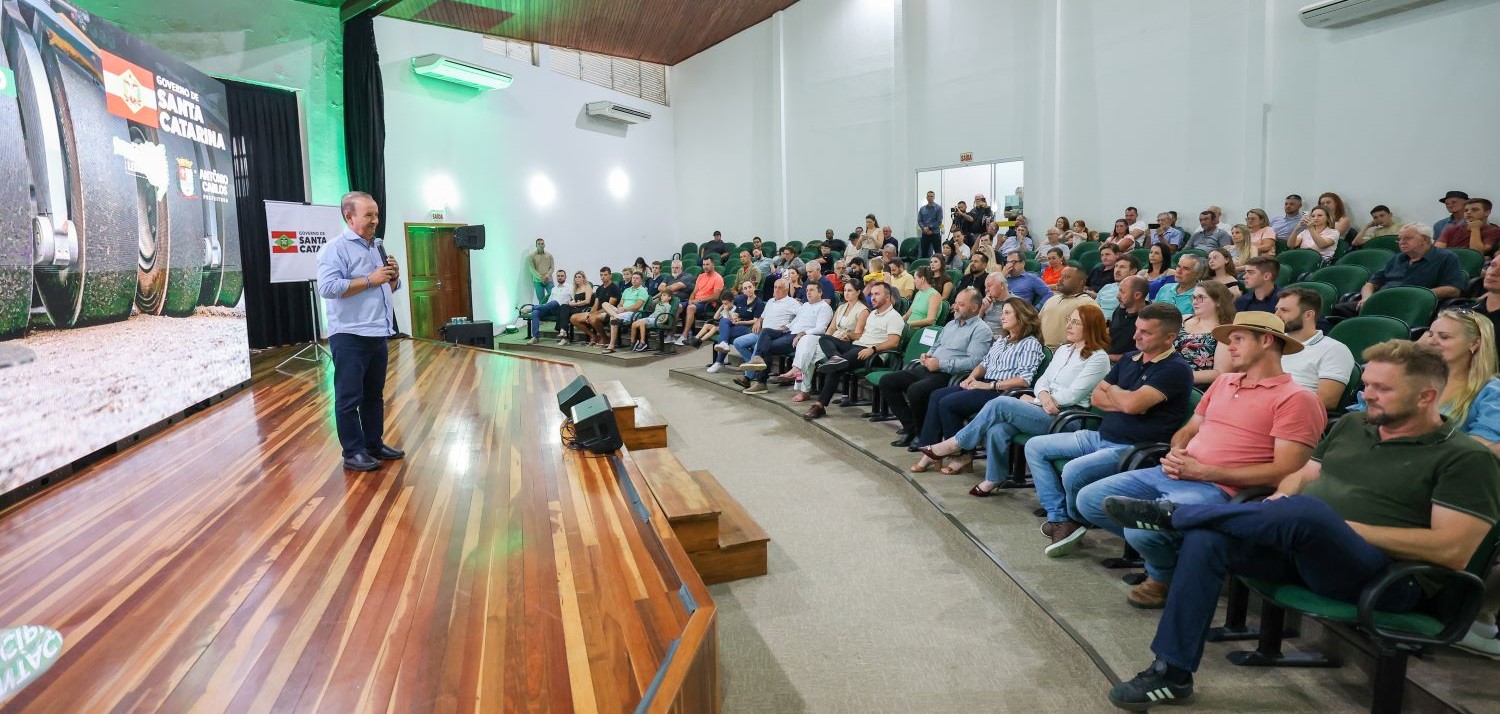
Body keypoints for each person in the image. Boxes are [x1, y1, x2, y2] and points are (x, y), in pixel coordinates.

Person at [1099, 340, 1499, 710]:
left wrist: (1336, 526)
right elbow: (1303, 474)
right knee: (1208, 539)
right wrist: (1278, 505)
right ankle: (1171, 673)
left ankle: (1174, 516)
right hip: (1306, 550)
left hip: (1386, 579)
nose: (1367, 395)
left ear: (1426, 396)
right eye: (1367, 385)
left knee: (1308, 512)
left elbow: (1452, 550)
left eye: (1383, 389)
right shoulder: (1353, 426)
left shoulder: (1464, 458)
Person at [1076, 312, 1326, 608]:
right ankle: (1175, 556)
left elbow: (1285, 472)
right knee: (1089, 500)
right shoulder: (1224, 382)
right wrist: (1177, 450)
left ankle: (1162, 575)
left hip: (1223, 489)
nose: (1229, 347)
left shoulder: (1297, 399)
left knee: (1140, 530)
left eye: (1238, 339)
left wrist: (1204, 472)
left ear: (1267, 341)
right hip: (1177, 471)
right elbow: (1189, 429)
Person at [1022, 303, 1195, 549]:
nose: (1135, 336)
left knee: (1072, 471)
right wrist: (1123, 398)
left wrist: (1115, 392)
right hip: (1100, 435)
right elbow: (1097, 398)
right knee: (1035, 447)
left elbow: (1131, 405)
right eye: (1137, 329)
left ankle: (1073, 520)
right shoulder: (1129, 358)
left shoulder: (1175, 369)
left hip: (1132, 448)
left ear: (1169, 338)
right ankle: (1060, 518)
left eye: (1146, 332)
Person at [921, 305, 1111, 496]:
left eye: (1076, 322)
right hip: (1045, 407)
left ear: (1091, 327)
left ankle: (956, 444)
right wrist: (1042, 396)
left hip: (1067, 417)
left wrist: (1036, 400)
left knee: (1001, 403)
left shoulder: (1098, 358)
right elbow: (1043, 381)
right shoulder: (1064, 350)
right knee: (998, 429)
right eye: (1069, 320)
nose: (1068, 325)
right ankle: (994, 477)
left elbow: (1072, 395)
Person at [316, 191, 404, 472]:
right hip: (350, 335)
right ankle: (353, 452)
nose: (375, 220)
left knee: (373, 396)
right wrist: (370, 279)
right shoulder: (335, 249)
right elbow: (327, 288)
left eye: (376, 214)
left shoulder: (376, 246)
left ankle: (373, 444)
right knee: (349, 398)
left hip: (377, 332)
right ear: (349, 217)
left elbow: (386, 287)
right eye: (369, 215)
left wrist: (393, 277)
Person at [909, 297, 1045, 471]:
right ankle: (931, 450)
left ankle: (961, 455)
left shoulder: (1030, 343)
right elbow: (984, 364)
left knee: (949, 403)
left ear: (1021, 317)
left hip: (1004, 392)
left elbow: (1024, 380)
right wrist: (971, 378)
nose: (1002, 317)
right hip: (985, 384)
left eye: (1007, 313)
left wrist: (990, 386)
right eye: (1002, 312)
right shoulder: (1002, 340)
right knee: (937, 395)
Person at [882, 289, 993, 447]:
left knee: (916, 390)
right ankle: (910, 427)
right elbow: (937, 345)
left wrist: (940, 364)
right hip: (930, 367)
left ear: (974, 308)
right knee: (888, 381)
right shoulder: (950, 324)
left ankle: (922, 435)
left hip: (949, 374)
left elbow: (974, 362)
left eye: (961, 304)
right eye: (956, 303)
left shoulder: (981, 330)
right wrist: (927, 355)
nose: (955, 307)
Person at [804, 282, 906, 420]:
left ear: (887, 297)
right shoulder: (873, 313)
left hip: (874, 354)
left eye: (877, 294)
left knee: (836, 367)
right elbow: (863, 335)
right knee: (825, 339)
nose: (872, 297)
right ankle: (836, 358)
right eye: (872, 294)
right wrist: (849, 335)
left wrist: (872, 349)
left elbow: (894, 342)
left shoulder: (894, 317)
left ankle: (819, 405)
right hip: (857, 346)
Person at [1332, 223, 1465, 317]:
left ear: (1424, 239)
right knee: (1335, 312)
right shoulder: (1397, 258)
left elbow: (1453, 290)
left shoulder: (1445, 257)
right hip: (1381, 301)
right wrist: (1367, 298)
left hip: (1413, 305)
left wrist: (1418, 295)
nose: (1401, 242)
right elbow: (1371, 284)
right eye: (1399, 239)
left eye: (1407, 238)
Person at [1417, 309, 1500, 449]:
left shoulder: (1493, 391)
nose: (1431, 342)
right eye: (1430, 335)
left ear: (1474, 343)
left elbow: (1481, 447)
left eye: (1444, 337)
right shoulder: (1413, 381)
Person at [1274, 287, 1356, 410]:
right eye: (1276, 310)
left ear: (1308, 315)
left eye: (1284, 310)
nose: (1276, 315)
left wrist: (1273, 405)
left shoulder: (1334, 350)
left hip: (1292, 412)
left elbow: (1327, 400)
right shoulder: (1272, 343)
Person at [742, 283, 832, 394]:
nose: (808, 293)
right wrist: (787, 326)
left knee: (767, 347)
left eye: (812, 290)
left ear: (820, 293)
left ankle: (761, 382)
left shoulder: (824, 307)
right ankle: (758, 357)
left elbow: (821, 328)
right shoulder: (805, 305)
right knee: (766, 331)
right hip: (789, 332)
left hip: (800, 338)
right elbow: (797, 321)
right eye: (807, 290)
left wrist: (803, 333)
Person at [789, 280, 868, 400]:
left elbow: (858, 334)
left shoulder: (863, 310)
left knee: (808, 354)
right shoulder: (841, 307)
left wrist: (845, 335)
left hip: (846, 343)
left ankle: (802, 386)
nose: (846, 293)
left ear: (858, 292)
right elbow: (831, 328)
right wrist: (825, 339)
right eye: (845, 290)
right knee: (805, 341)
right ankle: (798, 374)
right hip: (832, 340)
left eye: (850, 290)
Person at [731, 279, 800, 388]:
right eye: (775, 287)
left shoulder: (792, 302)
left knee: (760, 346)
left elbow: (801, 317)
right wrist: (758, 322)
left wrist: (789, 326)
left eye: (780, 288)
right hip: (762, 332)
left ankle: (747, 378)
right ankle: (754, 364)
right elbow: (762, 317)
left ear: (786, 290)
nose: (776, 290)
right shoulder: (770, 301)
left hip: (776, 334)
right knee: (738, 342)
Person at [1176, 281, 1235, 387]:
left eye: (1200, 297)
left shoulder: (1225, 332)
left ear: (1218, 301)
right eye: (1194, 297)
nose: (1194, 302)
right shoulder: (1183, 319)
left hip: (1191, 386)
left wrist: (1177, 377)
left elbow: (1220, 372)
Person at [709, 281, 765, 372]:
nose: (748, 290)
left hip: (748, 327)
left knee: (723, 335)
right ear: (743, 291)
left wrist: (740, 322)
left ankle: (719, 361)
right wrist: (735, 317)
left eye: (750, 287)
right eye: (745, 288)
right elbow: (737, 313)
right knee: (724, 320)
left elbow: (756, 320)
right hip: (738, 324)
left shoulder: (759, 303)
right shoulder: (741, 299)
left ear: (754, 287)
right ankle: (723, 345)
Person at [1039, 266, 1096, 349]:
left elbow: (1091, 334)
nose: (1060, 280)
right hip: (1040, 350)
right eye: (1060, 276)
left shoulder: (1088, 303)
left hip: (1067, 352)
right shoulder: (1052, 299)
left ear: (1080, 282)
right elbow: (1037, 323)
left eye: (1066, 277)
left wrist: (1062, 350)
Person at [677, 257, 725, 346]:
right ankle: (670, 334)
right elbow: (694, 291)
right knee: (677, 306)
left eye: (707, 264)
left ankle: (684, 335)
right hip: (696, 301)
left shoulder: (718, 278)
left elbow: (715, 297)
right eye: (704, 264)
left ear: (713, 265)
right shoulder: (701, 276)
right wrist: (691, 299)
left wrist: (699, 300)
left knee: (691, 307)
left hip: (708, 304)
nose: (705, 266)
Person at [604, 272, 650, 352]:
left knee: (613, 319)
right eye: (633, 278)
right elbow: (620, 303)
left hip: (633, 313)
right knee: (605, 304)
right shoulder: (627, 290)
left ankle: (611, 345)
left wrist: (624, 309)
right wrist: (619, 308)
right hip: (622, 312)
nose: (634, 280)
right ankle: (616, 316)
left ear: (641, 281)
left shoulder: (643, 291)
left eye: (637, 278)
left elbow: (637, 306)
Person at [1108, 276, 1149, 362]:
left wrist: (1107, 357)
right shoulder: (1120, 309)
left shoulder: (1149, 319)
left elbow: (1141, 355)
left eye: (1122, 292)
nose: (1117, 296)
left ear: (1137, 295)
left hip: (1126, 364)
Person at [579, 267, 622, 347]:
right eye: (601, 275)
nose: (603, 277)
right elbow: (596, 304)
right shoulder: (599, 288)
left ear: (610, 275)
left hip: (608, 313)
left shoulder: (615, 288)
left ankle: (605, 338)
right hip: (597, 312)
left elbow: (609, 307)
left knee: (592, 318)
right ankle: (593, 336)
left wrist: (593, 315)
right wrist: (590, 314)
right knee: (574, 318)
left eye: (605, 275)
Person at [629, 282, 675, 352]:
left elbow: (667, 315)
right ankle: (633, 342)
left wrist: (662, 322)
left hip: (657, 320)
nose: (662, 297)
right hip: (651, 318)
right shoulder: (658, 304)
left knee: (642, 323)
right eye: (662, 295)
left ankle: (642, 342)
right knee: (634, 323)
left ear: (669, 298)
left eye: (664, 295)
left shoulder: (667, 306)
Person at [528, 269, 571, 343]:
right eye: (558, 276)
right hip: (551, 308)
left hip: (561, 310)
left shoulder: (570, 287)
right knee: (535, 312)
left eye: (562, 276)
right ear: (556, 277)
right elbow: (549, 302)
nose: (560, 277)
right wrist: (545, 307)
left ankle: (531, 308)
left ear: (565, 277)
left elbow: (574, 299)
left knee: (554, 302)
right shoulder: (554, 289)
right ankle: (535, 337)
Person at [1095, 254, 1137, 319]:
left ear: (1133, 271)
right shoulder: (1106, 287)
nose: (1117, 270)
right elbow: (1094, 307)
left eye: (1122, 267)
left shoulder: (1137, 289)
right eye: (1116, 266)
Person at [978, 272, 1012, 336]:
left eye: (989, 286)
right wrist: (981, 310)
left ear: (1001, 285)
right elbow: (974, 325)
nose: (986, 290)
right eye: (985, 287)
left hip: (998, 340)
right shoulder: (987, 302)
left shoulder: (1015, 303)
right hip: (980, 336)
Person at [527, 237, 554, 305]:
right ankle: (543, 311)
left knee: (553, 296)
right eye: (539, 244)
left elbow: (552, 267)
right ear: (536, 245)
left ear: (544, 245)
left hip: (548, 280)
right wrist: (541, 278)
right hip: (537, 281)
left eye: (542, 243)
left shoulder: (549, 255)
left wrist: (547, 276)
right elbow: (532, 269)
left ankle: (551, 310)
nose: (541, 245)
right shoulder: (531, 256)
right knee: (541, 300)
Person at [918, 191, 944, 258]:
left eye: (931, 196)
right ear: (926, 197)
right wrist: (924, 228)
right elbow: (919, 221)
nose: (930, 197)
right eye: (928, 196)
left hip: (935, 233)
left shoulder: (938, 208)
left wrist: (929, 228)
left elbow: (939, 221)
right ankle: (925, 265)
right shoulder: (922, 209)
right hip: (925, 234)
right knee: (924, 254)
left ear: (934, 197)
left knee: (938, 253)